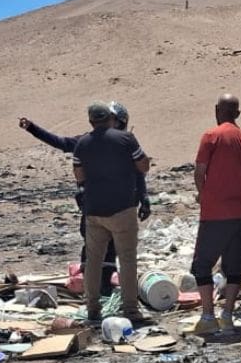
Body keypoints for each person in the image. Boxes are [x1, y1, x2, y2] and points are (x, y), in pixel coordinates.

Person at [18, 104, 150, 294]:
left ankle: (95, 296)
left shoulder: (95, 142)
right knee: (106, 253)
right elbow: (140, 169)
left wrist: (143, 197)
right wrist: (33, 129)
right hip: (112, 208)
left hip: (98, 207)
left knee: (101, 253)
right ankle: (102, 295)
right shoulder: (118, 141)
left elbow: (137, 172)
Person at [72, 102, 151, 323]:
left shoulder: (83, 143)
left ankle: (92, 309)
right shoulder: (126, 139)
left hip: (94, 211)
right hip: (123, 209)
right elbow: (143, 166)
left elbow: (79, 175)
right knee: (127, 259)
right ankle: (131, 310)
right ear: (110, 118)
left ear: (91, 121)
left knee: (93, 260)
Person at [190, 93, 241, 335]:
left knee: (202, 265)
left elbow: (199, 172)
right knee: (233, 267)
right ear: (238, 114)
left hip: (215, 214)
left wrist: (204, 195)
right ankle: (228, 316)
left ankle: (208, 316)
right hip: (240, 213)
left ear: (216, 110)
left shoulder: (211, 136)